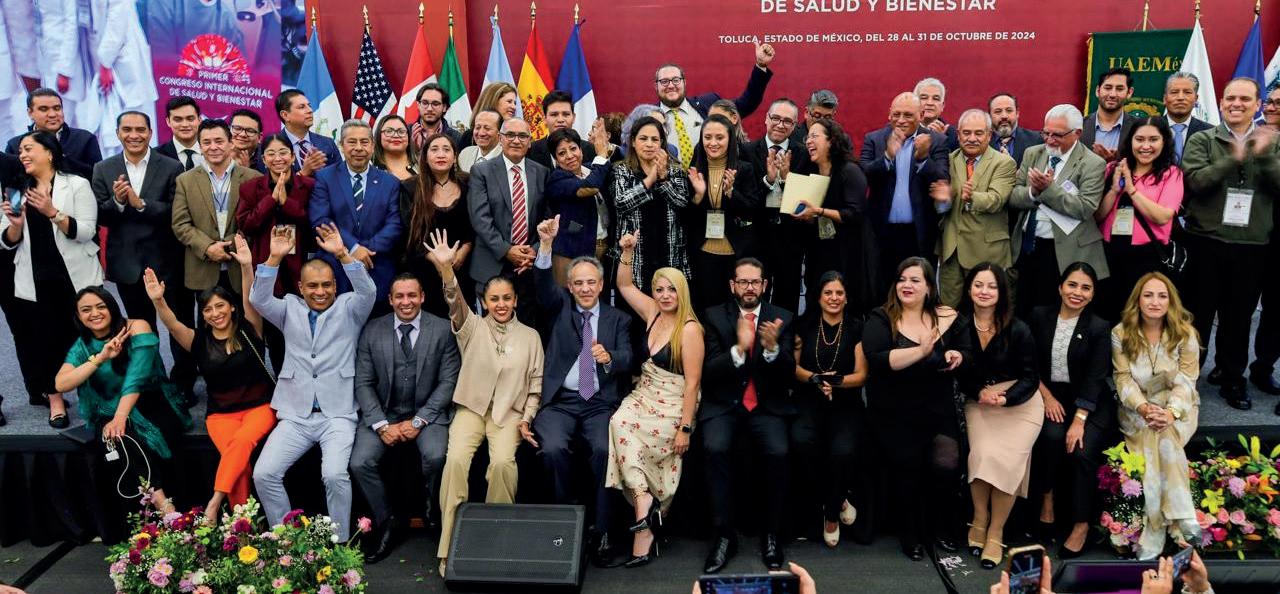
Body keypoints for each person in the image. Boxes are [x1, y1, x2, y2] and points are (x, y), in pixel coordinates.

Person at [423, 229, 544, 577]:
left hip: (509, 415)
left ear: (515, 301)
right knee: (455, 463)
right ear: (485, 302)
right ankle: (449, 547)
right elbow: (453, 299)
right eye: (494, 299)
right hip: (471, 410)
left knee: (503, 464)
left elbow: (535, 387)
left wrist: (527, 418)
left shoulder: (531, 337)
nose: (501, 304)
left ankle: (495, 544)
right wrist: (447, 269)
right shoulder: (471, 327)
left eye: (506, 298)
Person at [250, 224, 377, 541]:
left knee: (334, 475)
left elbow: (368, 292)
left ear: (335, 285)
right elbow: (258, 299)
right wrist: (274, 258)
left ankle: (339, 543)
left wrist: (343, 254)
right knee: (264, 474)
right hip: (296, 414)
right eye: (312, 286)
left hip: (338, 414)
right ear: (301, 287)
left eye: (326, 285)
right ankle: (285, 539)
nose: (320, 292)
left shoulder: (350, 308)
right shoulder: (288, 309)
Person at [144, 234, 275, 524]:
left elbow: (249, 295)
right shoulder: (198, 342)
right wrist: (158, 301)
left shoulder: (250, 328)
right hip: (220, 416)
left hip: (259, 408)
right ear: (203, 315)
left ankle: (214, 505)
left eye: (220, 306)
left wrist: (246, 267)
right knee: (238, 463)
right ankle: (243, 527)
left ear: (232, 307)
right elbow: (172, 324)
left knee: (242, 443)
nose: (215, 313)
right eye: (208, 309)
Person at [531, 217, 634, 566]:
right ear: (570, 286)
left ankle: (603, 531)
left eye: (591, 282)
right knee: (552, 450)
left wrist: (610, 357)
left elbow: (628, 357)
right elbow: (542, 286)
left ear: (602, 284)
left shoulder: (618, 319)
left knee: (605, 450)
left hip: (599, 403)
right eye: (579, 283)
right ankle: (564, 526)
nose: (586, 288)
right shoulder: (558, 307)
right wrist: (546, 246)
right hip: (560, 403)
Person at [1181, 77, 1280, 410]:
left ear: (1257, 104)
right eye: (1230, 98)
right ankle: (1187, 378)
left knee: (1238, 318)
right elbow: (1196, 182)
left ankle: (1232, 377)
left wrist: (1262, 157)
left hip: (1252, 246)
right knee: (1197, 315)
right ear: (1221, 103)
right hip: (1205, 242)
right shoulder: (1203, 139)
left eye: (1244, 99)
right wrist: (1232, 159)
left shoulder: (1273, 142)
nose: (1236, 104)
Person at [606, 231, 703, 567]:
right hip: (644, 395)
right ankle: (643, 501)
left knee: (633, 435)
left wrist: (684, 429)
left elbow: (693, 384)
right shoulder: (653, 312)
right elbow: (624, 285)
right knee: (619, 422)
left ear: (682, 292)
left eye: (671, 289)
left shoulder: (690, 329)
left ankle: (643, 524)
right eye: (659, 289)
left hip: (674, 402)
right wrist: (627, 252)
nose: (664, 295)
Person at [349, 273, 460, 563]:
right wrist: (381, 424)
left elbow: (448, 382)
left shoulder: (442, 329)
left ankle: (432, 507)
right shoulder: (372, 330)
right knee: (360, 462)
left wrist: (419, 421)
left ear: (422, 297)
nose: (406, 302)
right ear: (390, 300)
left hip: (428, 414)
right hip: (384, 414)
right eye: (399, 296)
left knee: (436, 456)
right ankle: (388, 520)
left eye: (412, 295)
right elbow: (363, 383)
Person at [861, 257, 967, 561]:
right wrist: (921, 351)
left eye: (915, 280)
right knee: (908, 467)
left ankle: (937, 526)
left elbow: (968, 351)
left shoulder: (946, 317)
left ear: (929, 287)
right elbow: (878, 359)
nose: (906, 285)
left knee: (947, 463)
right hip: (895, 409)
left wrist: (958, 355)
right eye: (902, 279)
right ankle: (909, 532)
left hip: (937, 405)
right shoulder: (881, 317)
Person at [54, 287, 192, 512]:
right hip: (108, 408)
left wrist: (121, 416)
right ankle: (164, 505)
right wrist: (100, 358)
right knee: (120, 438)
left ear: (112, 307)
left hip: (151, 400)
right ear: (78, 316)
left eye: (100, 306)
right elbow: (61, 383)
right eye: (86, 310)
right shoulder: (83, 345)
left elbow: (136, 377)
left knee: (131, 436)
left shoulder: (137, 327)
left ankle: (162, 509)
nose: (94, 313)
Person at [699, 258, 795, 573]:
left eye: (755, 282)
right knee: (715, 448)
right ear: (733, 285)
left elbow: (789, 373)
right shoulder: (714, 316)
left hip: (766, 406)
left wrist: (772, 349)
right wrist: (740, 349)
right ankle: (723, 536)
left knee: (779, 452)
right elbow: (709, 371)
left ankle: (772, 534)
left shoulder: (782, 317)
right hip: (724, 404)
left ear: (764, 285)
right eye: (743, 282)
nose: (749, 288)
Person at [1, 131, 103, 427]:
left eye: (28, 149)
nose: (22, 155)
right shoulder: (17, 188)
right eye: (21, 150)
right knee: (43, 341)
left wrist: (53, 213)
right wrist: (16, 226)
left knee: (86, 337)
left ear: (49, 152)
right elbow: (5, 240)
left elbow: (87, 231)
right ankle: (56, 401)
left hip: (76, 276)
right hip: (35, 277)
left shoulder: (77, 184)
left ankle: (97, 397)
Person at [91, 111, 194, 397]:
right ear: (117, 133)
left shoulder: (171, 166)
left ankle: (184, 383)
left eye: (140, 129)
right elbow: (99, 215)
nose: (134, 135)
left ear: (150, 133)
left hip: (168, 261)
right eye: (127, 129)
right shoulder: (103, 168)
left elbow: (176, 212)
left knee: (178, 323)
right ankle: (153, 382)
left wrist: (140, 204)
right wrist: (118, 201)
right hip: (127, 264)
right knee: (141, 329)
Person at [955, 263, 1041, 570]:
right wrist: (980, 392)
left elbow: (1031, 378)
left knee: (1009, 460)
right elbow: (959, 373)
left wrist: (1006, 398)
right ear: (969, 289)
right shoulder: (959, 326)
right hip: (980, 401)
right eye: (979, 285)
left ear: (1002, 292)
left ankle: (996, 531)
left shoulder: (1019, 328)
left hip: (1020, 404)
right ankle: (980, 518)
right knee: (982, 453)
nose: (984, 291)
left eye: (992, 286)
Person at [1027, 262, 1115, 558]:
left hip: (1089, 402)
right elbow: (1028, 364)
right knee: (1051, 437)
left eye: (1085, 288)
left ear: (1093, 294)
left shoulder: (1099, 327)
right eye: (1072, 285)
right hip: (1049, 396)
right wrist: (1047, 397)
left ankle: (1081, 524)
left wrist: (1079, 420)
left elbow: (1095, 378)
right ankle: (1047, 498)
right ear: (1060, 287)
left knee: (1079, 449)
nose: (1077, 292)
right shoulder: (1039, 316)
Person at [1112, 272, 1200, 559]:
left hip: (1179, 408)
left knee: (1162, 432)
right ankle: (1180, 518)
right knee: (1157, 433)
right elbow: (1123, 379)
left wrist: (1171, 413)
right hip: (1136, 408)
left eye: (1162, 296)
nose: (1155, 301)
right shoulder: (1121, 333)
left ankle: (1156, 525)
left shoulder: (1185, 333)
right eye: (1148, 295)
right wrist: (1143, 407)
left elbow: (1187, 381)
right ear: (1137, 300)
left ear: (1171, 301)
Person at [790, 271, 867, 548]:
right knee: (801, 441)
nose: (834, 298)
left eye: (839, 293)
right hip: (809, 400)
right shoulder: (804, 324)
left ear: (846, 298)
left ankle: (831, 514)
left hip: (846, 403)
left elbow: (862, 375)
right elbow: (793, 368)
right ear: (819, 297)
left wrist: (835, 382)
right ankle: (836, 499)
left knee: (842, 451)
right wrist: (816, 379)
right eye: (828, 293)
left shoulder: (857, 326)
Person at [1009, 104, 1108, 316]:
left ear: (1077, 133)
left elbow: (1084, 208)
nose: (1049, 140)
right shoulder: (1033, 153)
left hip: (1062, 251)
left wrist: (1048, 189)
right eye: (1046, 133)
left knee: (1050, 313)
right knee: (1021, 309)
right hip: (1027, 245)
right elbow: (1013, 196)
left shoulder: (1092, 163)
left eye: (1057, 135)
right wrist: (1033, 192)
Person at [235, 133, 315, 371]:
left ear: (293, 157)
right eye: (271, 153)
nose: (277, 158)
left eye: (283, 153)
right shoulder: (251, 188)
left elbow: (312, 224)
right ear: (263, 159)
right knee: (274, 332)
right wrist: (271, 200)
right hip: (268, 265)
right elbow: (246, 225)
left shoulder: (308, 186)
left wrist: (286, 203)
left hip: (300, 266)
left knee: (303, 327)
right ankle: (281, 378)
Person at [859, 92, 949, 297]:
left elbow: (942, 180)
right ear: (889, 114)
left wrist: (923, 159)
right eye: (896, 114)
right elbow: (863, 176)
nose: (901, 120)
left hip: (919, 233)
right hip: (881, 232)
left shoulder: (936, 141)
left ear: (921, 115)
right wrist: (887, 156)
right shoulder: (874, 139)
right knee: (881, 291)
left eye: (908, 115)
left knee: (918, 291)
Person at [1093, 117, 1184, 321]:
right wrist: (1114, 190)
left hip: (1146, 257)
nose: (1145, 146)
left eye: (1153, 140)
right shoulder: (1114, 168)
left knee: (1137, 319)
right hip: (1107, 253)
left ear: (1164, 142)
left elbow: (1162, 216)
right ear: (1130, 141)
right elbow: (1097, 216)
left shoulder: (1171, 174)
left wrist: (1131, 190)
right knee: (1105, 315)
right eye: (1139, 139)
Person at [309, 119, 403, 308]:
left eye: (364, 142)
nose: (358, 148)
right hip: (335, 269)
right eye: (352, 142)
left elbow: (394, 224)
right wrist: (352, 248)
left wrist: (364, 250)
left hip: (376, 266)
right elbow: (321, 220)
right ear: (342, 145)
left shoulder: (390, 182)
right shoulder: (324, 177)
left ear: (373, 145)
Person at [467, 117, 548, 326]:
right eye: (510, 135)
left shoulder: (541, 172)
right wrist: (506, 250)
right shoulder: (481, 171)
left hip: (528, 267)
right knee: (490, 332)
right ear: (500, 138)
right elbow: (480, 219)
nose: (516, 140)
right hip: (492, 265)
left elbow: (547, 219)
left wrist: (534, 251)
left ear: (530, 142)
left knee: (527, 329)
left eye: (522, 136)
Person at [933, 109, 1017, 306]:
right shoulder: (948, 160)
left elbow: (997, 199)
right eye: (966, 133)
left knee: (986, 310)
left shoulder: (1004, 163)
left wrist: (971, 197)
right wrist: (942, 200)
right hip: (951, 250)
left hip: (987, 251)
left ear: (989, 135)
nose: (972, 138)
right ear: (958, 134)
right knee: (946, 310)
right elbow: (940, 206)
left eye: (979, 133)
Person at [171, 119, 263, 297]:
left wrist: (229, 245)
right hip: (203, 269)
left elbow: (257, 221)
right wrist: (207, 247)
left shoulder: (253, 178)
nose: (213, 147)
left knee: (245, 314)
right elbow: (180, 224)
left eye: (219, 141)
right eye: (206, 142)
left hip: (241, 269)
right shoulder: (185, 180)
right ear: (200, 147)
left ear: (231, 143)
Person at [795, 119, 876, 314]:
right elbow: (813, 212)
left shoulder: (849, 170)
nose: (808, 141)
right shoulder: (812, 171)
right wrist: (808, 216)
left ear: (831, 141)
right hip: (820, 248)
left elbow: (855, 213)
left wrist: (819, 211)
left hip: (849, 250)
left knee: (846, 298)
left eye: (814, 136)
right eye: (807, 137)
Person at [654, 41, 776, 168]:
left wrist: (760, 66)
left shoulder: (710, 104)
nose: (671, 85)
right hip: (667, 179)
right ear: (656, 86)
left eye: (676, 80)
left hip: (713, 178)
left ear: (684, 82)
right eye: (664, 81)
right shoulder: (649, 116)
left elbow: (747, 103)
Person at [741, 98, 812, 311]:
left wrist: (785, 179)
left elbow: (804, 203)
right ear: (766, 119)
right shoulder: (747, 151)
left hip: (790, 237)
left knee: (787, 299)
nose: (780, 125)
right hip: (757, 236)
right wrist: (769, 180)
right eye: (776, 118)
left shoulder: (803, 154)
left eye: (787, 121)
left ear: (795, 125)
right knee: (755, 297)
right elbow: (746, 200)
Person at [611, 116, 693, 292]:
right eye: (643, 138)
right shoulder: (621, 170)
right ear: (633, 142)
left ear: (662, 143)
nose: (649, 144)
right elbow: (621, 203)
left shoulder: (676, 170)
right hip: (635, 257)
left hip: (669, 253)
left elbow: (682, 204)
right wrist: (650, 179)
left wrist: (663, 179)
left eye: (655, 139)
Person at [399, 133, 475, 319]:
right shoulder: (410, 188)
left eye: (446, 149)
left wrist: (463, 251)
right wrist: (437, 261)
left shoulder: (469, 183)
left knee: (462, 322)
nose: (441, 154)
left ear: (455, 157)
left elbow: (476, 224)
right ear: (425, 157)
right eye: (434, 149)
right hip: (424, 269)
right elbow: (407, 232)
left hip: (462, 268)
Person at [686, 114, 759, 308]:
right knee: (706, 307)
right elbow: (685, 218)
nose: (713, 143)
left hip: (736, 252)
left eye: (719, 137)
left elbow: (752, 211)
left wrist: (731, 193)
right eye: (707, 137)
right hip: (702, 252)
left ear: (730, 139)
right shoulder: (694, 172)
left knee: (733, 309)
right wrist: (698, 196)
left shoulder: (744, 169)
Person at [544, 125, 614, 285]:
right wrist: (601, 155)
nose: (569, 156)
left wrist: (604, 142)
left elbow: (613, 161)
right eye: (562, 153)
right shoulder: (557, 179)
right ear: (556, 159)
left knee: (599, 296)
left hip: (603, 248)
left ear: (581, 150)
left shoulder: (591, 169)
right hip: (571, 252)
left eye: (573, 149)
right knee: (568, 296)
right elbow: (590, 187)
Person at [6, 89, 101, 179]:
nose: (52, 114)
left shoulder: (85, 139)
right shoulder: (15, 145)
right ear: (30, 113)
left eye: (57, 108)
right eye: (44, 109)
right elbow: (10, 182)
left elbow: (97, 178)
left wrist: (61, 159)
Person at [276, 89, 341, 176]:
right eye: (302, 107)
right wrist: (303, 173)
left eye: (309, 106)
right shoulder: (271, 147)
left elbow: (340, 177)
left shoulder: (328, 143)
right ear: (285, 115)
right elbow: (269, 182)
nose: (310, 110)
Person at [529, 90, 598, 169]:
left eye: (566, 114)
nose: (560, 120)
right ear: (544, 119)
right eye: (554, 115)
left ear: (573, 117)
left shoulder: (590, 149)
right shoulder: (531, 151)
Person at [1082, 67, 1135, 160]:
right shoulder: (1079, 126)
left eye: (1119, 89)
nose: (1112, 94)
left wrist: (1114, 162)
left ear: (1129, 93)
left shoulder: (1138, 127)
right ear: (1097, 91)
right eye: (1108, 88)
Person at [1162, 72, 1214, 164]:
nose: (1180, 97)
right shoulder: (1150, 128)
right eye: (1174, 92)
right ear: (1165, 98)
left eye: (1187, 92)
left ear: (1196, 99)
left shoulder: (1210, 132)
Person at [988, 93, 1043, 166]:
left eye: (1009, 110)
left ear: (1017, 113)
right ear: (989, 115)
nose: (1004, 116)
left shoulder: (1036, 140)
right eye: (998, 111)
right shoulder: (982, 142)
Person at [459, 82, 518, 149]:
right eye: (509, 102)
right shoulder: (469, 137)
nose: (514, 107)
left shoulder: (517, 135)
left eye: (515, 103)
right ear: (494, 101)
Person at [410, 82, 462, 150]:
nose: (429, 109)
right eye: (425, 103)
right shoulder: (407, 133)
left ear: (444, 107)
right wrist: (413, 149)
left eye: (435, 104)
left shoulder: (456, 137)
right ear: (418, 105)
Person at [156, 96, 203, 172]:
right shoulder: (155, 155)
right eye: (178, 120)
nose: (185, 124)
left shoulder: (214, 152)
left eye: (190, 119)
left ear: (199, 120)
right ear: (168, 121)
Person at [916, 77, 959, 152]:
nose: (930, 103)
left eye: (936, 99)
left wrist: (940, 140)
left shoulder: (952, 134)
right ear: (915, 103)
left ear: (942, 106)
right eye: (924, 98)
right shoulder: (907, 129)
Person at [372, 115, 417, 181]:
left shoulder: (423, 164)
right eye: (389, 131)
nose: (396, 135)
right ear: (379, 136)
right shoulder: (368, 166)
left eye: (401, 131)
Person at [456, 109, 502, 173]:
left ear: (500, 132)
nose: (481, 133)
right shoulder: (465, 154)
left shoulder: (507, 157)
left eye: (487, 128)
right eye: (477, 127)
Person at [229, 108, 266, 174]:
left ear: (260, 137)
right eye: (237, 128)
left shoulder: (267, 160)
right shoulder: (216, 150)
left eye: (250, 131)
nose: (242, 134)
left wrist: (247, 172)